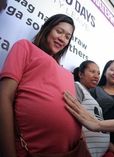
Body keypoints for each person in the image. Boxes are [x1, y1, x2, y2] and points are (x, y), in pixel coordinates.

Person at [0, 14, 83, 157]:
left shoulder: (67, 73)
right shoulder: (25, 47)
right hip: (27, 149)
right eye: (59, 31)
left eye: (67, 37)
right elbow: (4, 97)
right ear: (47, 29)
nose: (62, 38)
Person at [72, 60, 112, 157]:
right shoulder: (77, 86)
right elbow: (71, 113)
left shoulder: (89, 94)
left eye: (98, 73)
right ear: (81, 74)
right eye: (92, 72)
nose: (96, 76)